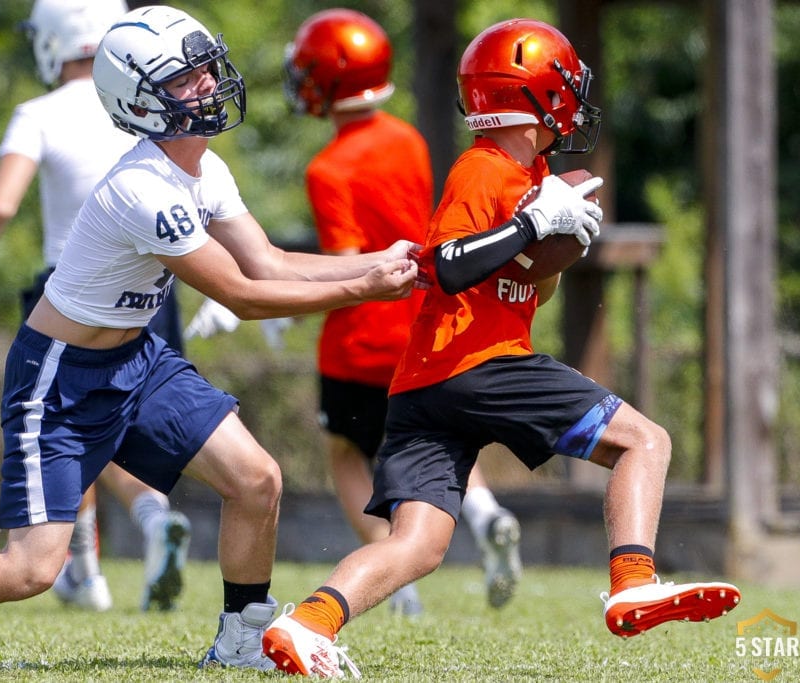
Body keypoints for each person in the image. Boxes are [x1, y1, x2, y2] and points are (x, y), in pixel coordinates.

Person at [0, 5, 429, 675]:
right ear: (141, 101)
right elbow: (241, 293)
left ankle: (241, 633)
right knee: (31, 566)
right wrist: (366, 285)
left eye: (206, 68)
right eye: (185, 78)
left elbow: (266, 260)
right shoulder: (142, 189)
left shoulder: (205, 169)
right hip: (60, 378)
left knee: (257, 477)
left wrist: (384, 260)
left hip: (137, 359)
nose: (208, 84)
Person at [262, 17, 742, 677]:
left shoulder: (535, 173)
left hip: (422, 384)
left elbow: (527, 292)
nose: (575, 101)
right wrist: (530, 223)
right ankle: (634, 579)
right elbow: (449, 264)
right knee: (646, 441)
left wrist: (557, 251)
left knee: (419, 544)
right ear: (534, 96)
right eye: (565, 86)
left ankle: (306, 621)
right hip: (476, 363)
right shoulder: (484, 169)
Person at [0, 0, 191, 614]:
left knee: (71, 428)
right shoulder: (146, 104)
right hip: (158, 279)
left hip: (72, 288)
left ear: (51, 38)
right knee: (133, 418)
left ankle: (85, 569)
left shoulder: (39, 113)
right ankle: (154, 521)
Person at [283, 8, 522, 615]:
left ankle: (393, 573)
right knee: (442, 440)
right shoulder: (409, 139)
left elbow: (346, 263)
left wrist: (280, 295)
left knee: (345, 450)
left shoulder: (327, 167)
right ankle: (487, 512)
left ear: (329, 79)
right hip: (422, 322)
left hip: (359, 334)